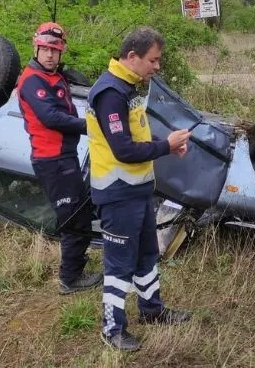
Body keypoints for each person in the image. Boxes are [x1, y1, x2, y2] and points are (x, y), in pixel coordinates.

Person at [87, 26, 192, 351]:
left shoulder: (127, 86)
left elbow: (136, 137)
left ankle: (152, 310)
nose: (157, 67)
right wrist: (166, 146)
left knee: (147, 254)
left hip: (138, 191)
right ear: (132, 56)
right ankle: (112, 329)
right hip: (118, 194)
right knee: (119, 265)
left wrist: (166, 144)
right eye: (153, 60)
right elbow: (123, 149)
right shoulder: (110, 93)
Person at [16, 21, 100, 295]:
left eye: (55, 50)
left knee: (79, 212)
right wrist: (91, 127)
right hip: (52, 160)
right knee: (74, 217)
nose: (50, 54)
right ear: (36, 48)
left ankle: (75, 269)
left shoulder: (54, 76)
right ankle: (69, 279)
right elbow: (51, 117)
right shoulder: (32, 80)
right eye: (45, 49)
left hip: (65, 156)